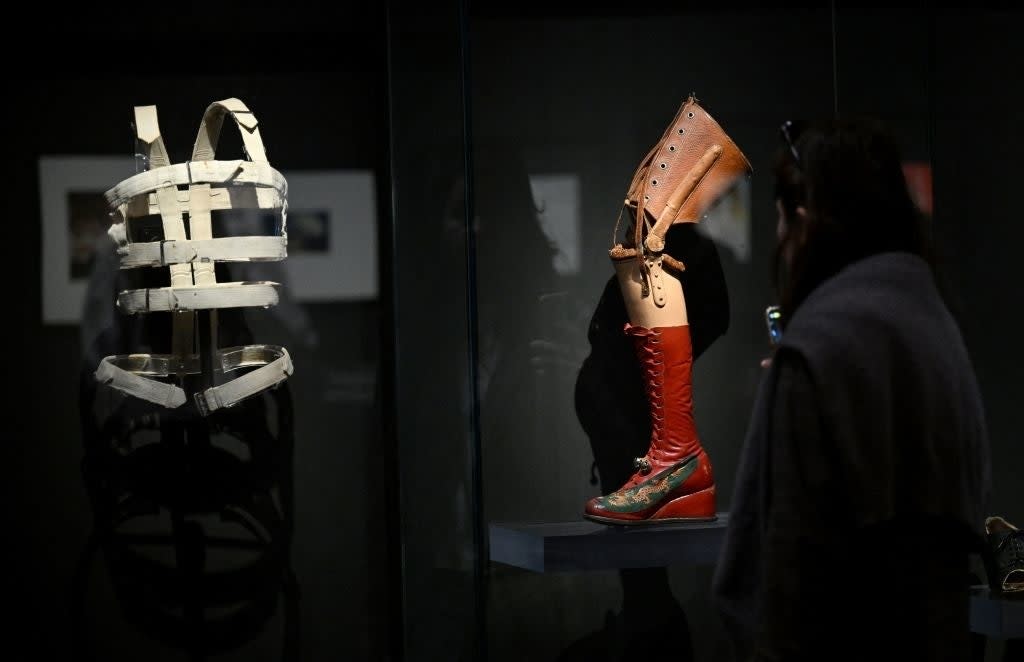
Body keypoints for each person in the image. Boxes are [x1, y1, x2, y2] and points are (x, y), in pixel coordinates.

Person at [712, 117, 992, 661]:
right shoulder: (939, 329)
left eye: (778, 219)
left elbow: (779, 589)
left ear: (805, 220)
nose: (777, 241)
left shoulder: (816, 350)